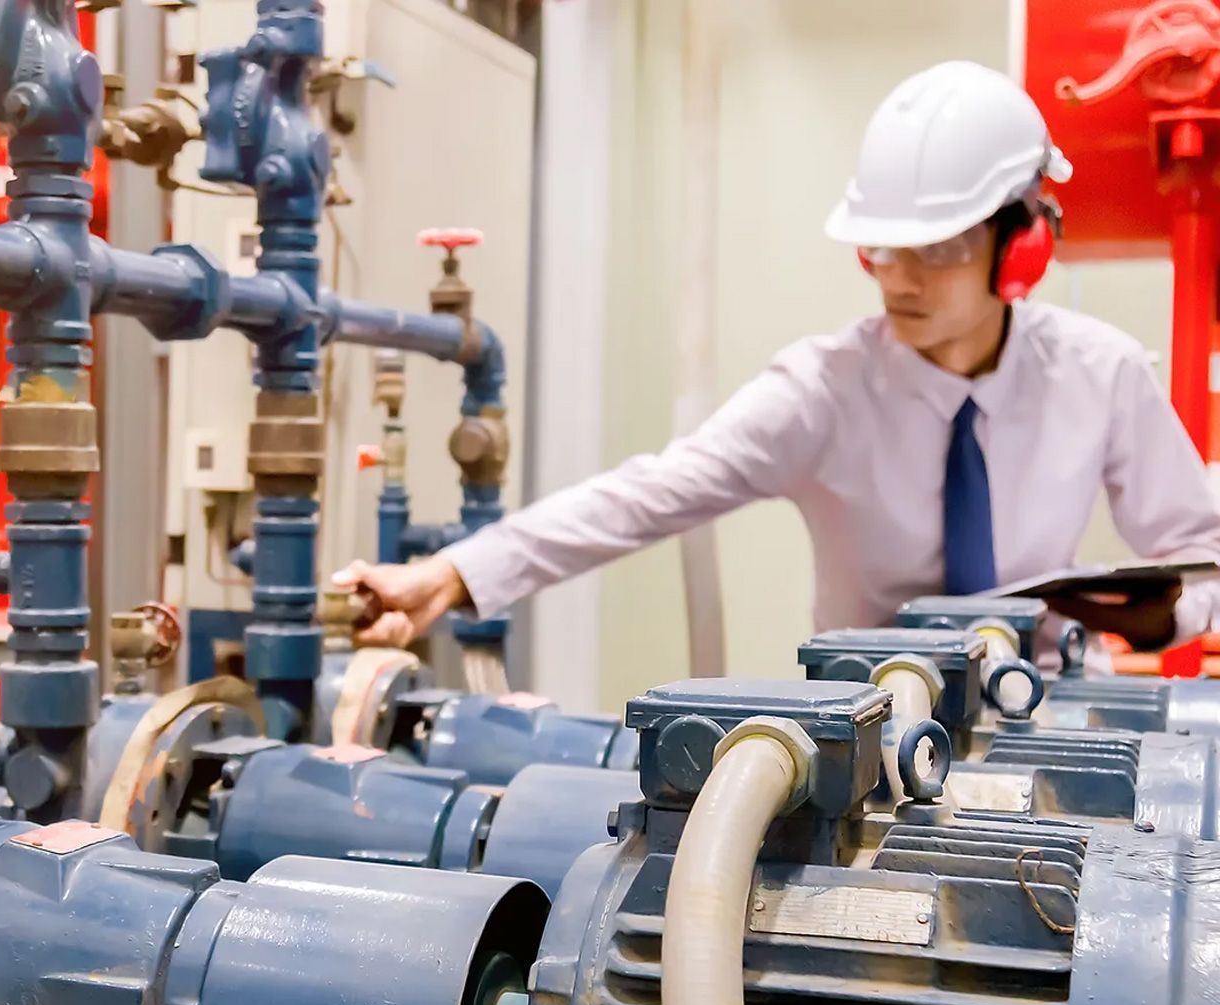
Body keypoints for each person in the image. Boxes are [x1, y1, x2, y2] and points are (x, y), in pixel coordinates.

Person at [338, 60, 1220, 657]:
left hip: (1045, 713)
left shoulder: (1101, 375)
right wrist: (453, 574)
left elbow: (1198, 551)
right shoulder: (823, 392)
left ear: (1020, 247)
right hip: (869, 733)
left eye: (940, 246)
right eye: (880, 247)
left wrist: (1166, 620)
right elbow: (646, 495)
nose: (900, 278)